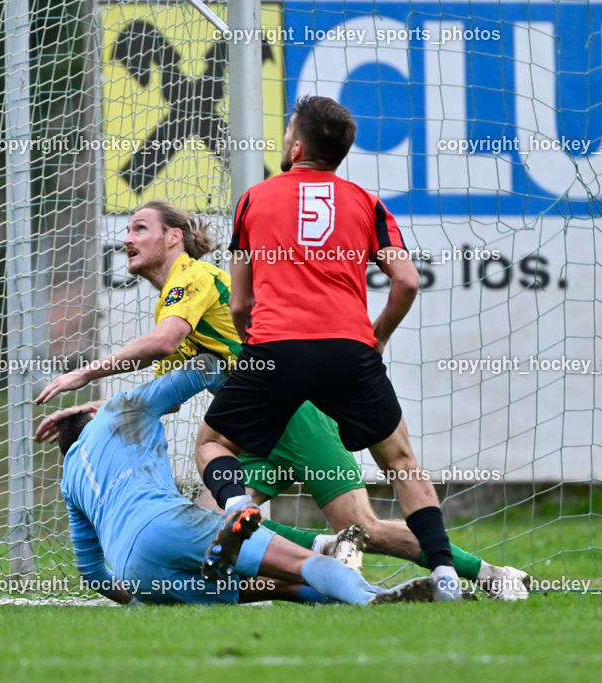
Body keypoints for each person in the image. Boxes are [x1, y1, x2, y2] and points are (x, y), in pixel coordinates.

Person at [35, 199, 528, 600]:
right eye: (127, 230)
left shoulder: (194, 277)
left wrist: (84, 373)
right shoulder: (176, 303)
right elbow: (158, 392)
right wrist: (94, 414)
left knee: (364, 529)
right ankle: (324, 563)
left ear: (173, 237)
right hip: (255, 430)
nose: (126, 238)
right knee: (216, 523)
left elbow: (162, 344)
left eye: (140, 227)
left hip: (298, 420)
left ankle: (488, 574)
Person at [196, 94, 463, 600]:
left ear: (297, 147)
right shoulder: (366, 203)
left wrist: (260, 352)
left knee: (212, 444)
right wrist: (377, 335)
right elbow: (405, 281)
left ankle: (236, 508)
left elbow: (239, 306)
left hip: (276, 347)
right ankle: (445, 573)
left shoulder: (255, 199)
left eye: (286, 131)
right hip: (348, 349)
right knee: (402, 460)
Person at [38, 355, 434, 605]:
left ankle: (383, 598)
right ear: (94, 408)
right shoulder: (120, 409)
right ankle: (373, 599)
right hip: (166, 524)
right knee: (302, 565)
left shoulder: (70, 480)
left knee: (276, 586)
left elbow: (91, 574)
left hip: (134, 570)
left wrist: (138, 594)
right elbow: (204, 368)